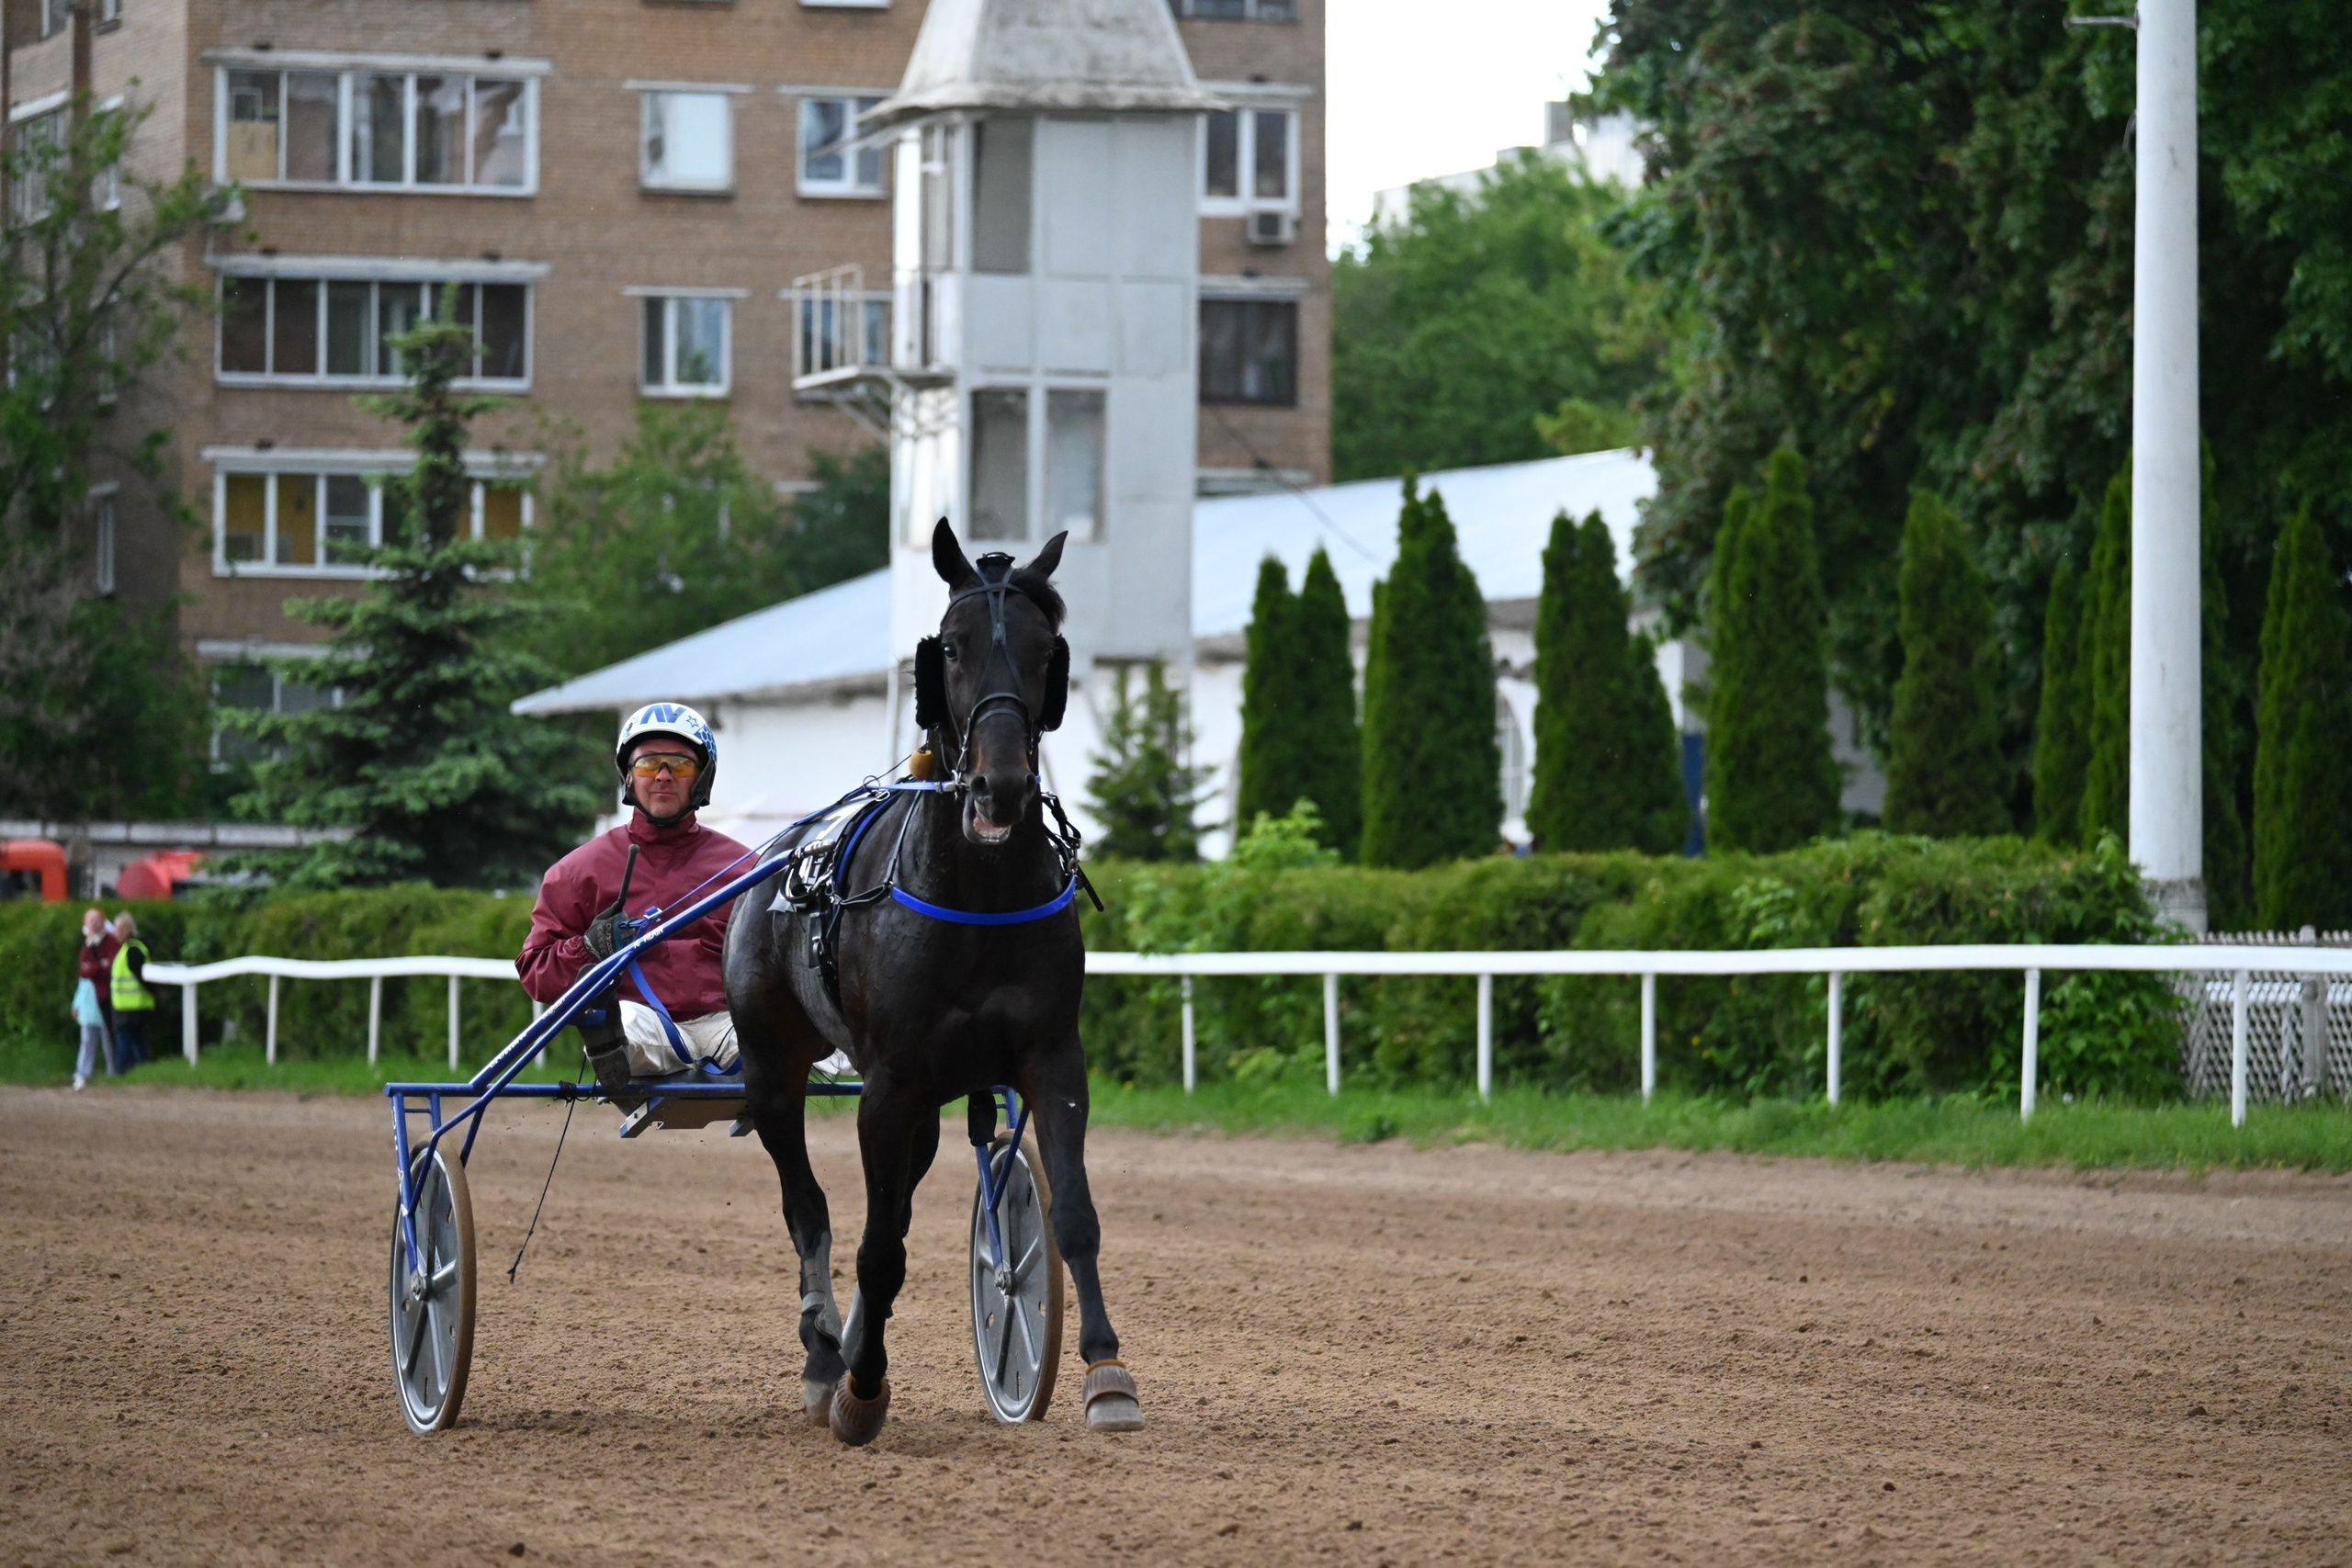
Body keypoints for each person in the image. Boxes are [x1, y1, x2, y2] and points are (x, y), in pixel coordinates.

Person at [519, 703, 750, 1091]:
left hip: (725, 1026)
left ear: (701, 779)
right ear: (628, 776)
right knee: (624, 1021)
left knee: (777, 1029)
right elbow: (534, 972)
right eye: (648, 764)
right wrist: (588, 948)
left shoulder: (747, 868)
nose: (662, 776)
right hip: (643, 1025)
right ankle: (613, 1056)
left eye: (679, 765)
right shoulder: (577, 872)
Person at [74, 908, 119, 1081]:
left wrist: (95, 968)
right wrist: (76, 1003)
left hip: (107, 998)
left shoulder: (111, 942)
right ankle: (82, 1074)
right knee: (87, 1041)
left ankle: (113, 1074)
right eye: (90, 920)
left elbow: (109, 966)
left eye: (97, 920)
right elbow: (84, 974)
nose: (94, 924)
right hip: (88, 1004)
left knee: (109, 1038)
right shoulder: (87, 947)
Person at [109, 910, 154, 1070]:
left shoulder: (132, 950)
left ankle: (121, 1075)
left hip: (132, 1009)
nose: (118, 932)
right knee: (138, 1044)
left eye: (122, 928)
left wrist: (156, 993)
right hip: (128, 1007)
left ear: (130, 929)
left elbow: (143, 977)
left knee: (125, 1046)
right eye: (116, 928)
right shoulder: (128, 948)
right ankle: (143, 1072)